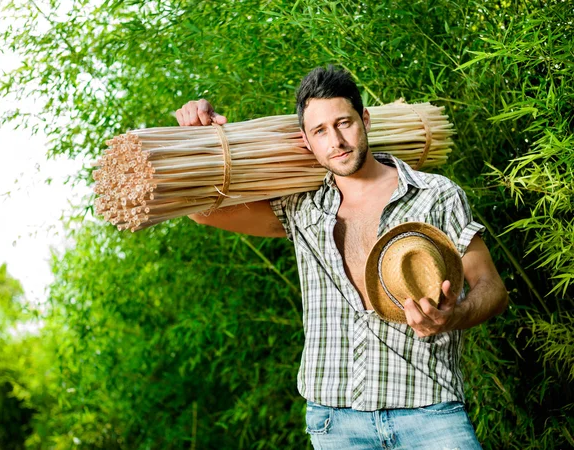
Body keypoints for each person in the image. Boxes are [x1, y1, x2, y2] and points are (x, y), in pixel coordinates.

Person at [175, 66, 508, 450]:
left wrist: (454, 316)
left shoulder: (437, 194)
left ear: (364, 120)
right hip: (336, 423)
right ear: (307, 141)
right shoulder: (301, 207)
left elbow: (492, 288)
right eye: (320, 131)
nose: (336, 140)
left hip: (429, 411)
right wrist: (197, 138)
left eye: (344, 122)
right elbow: (203, 212)